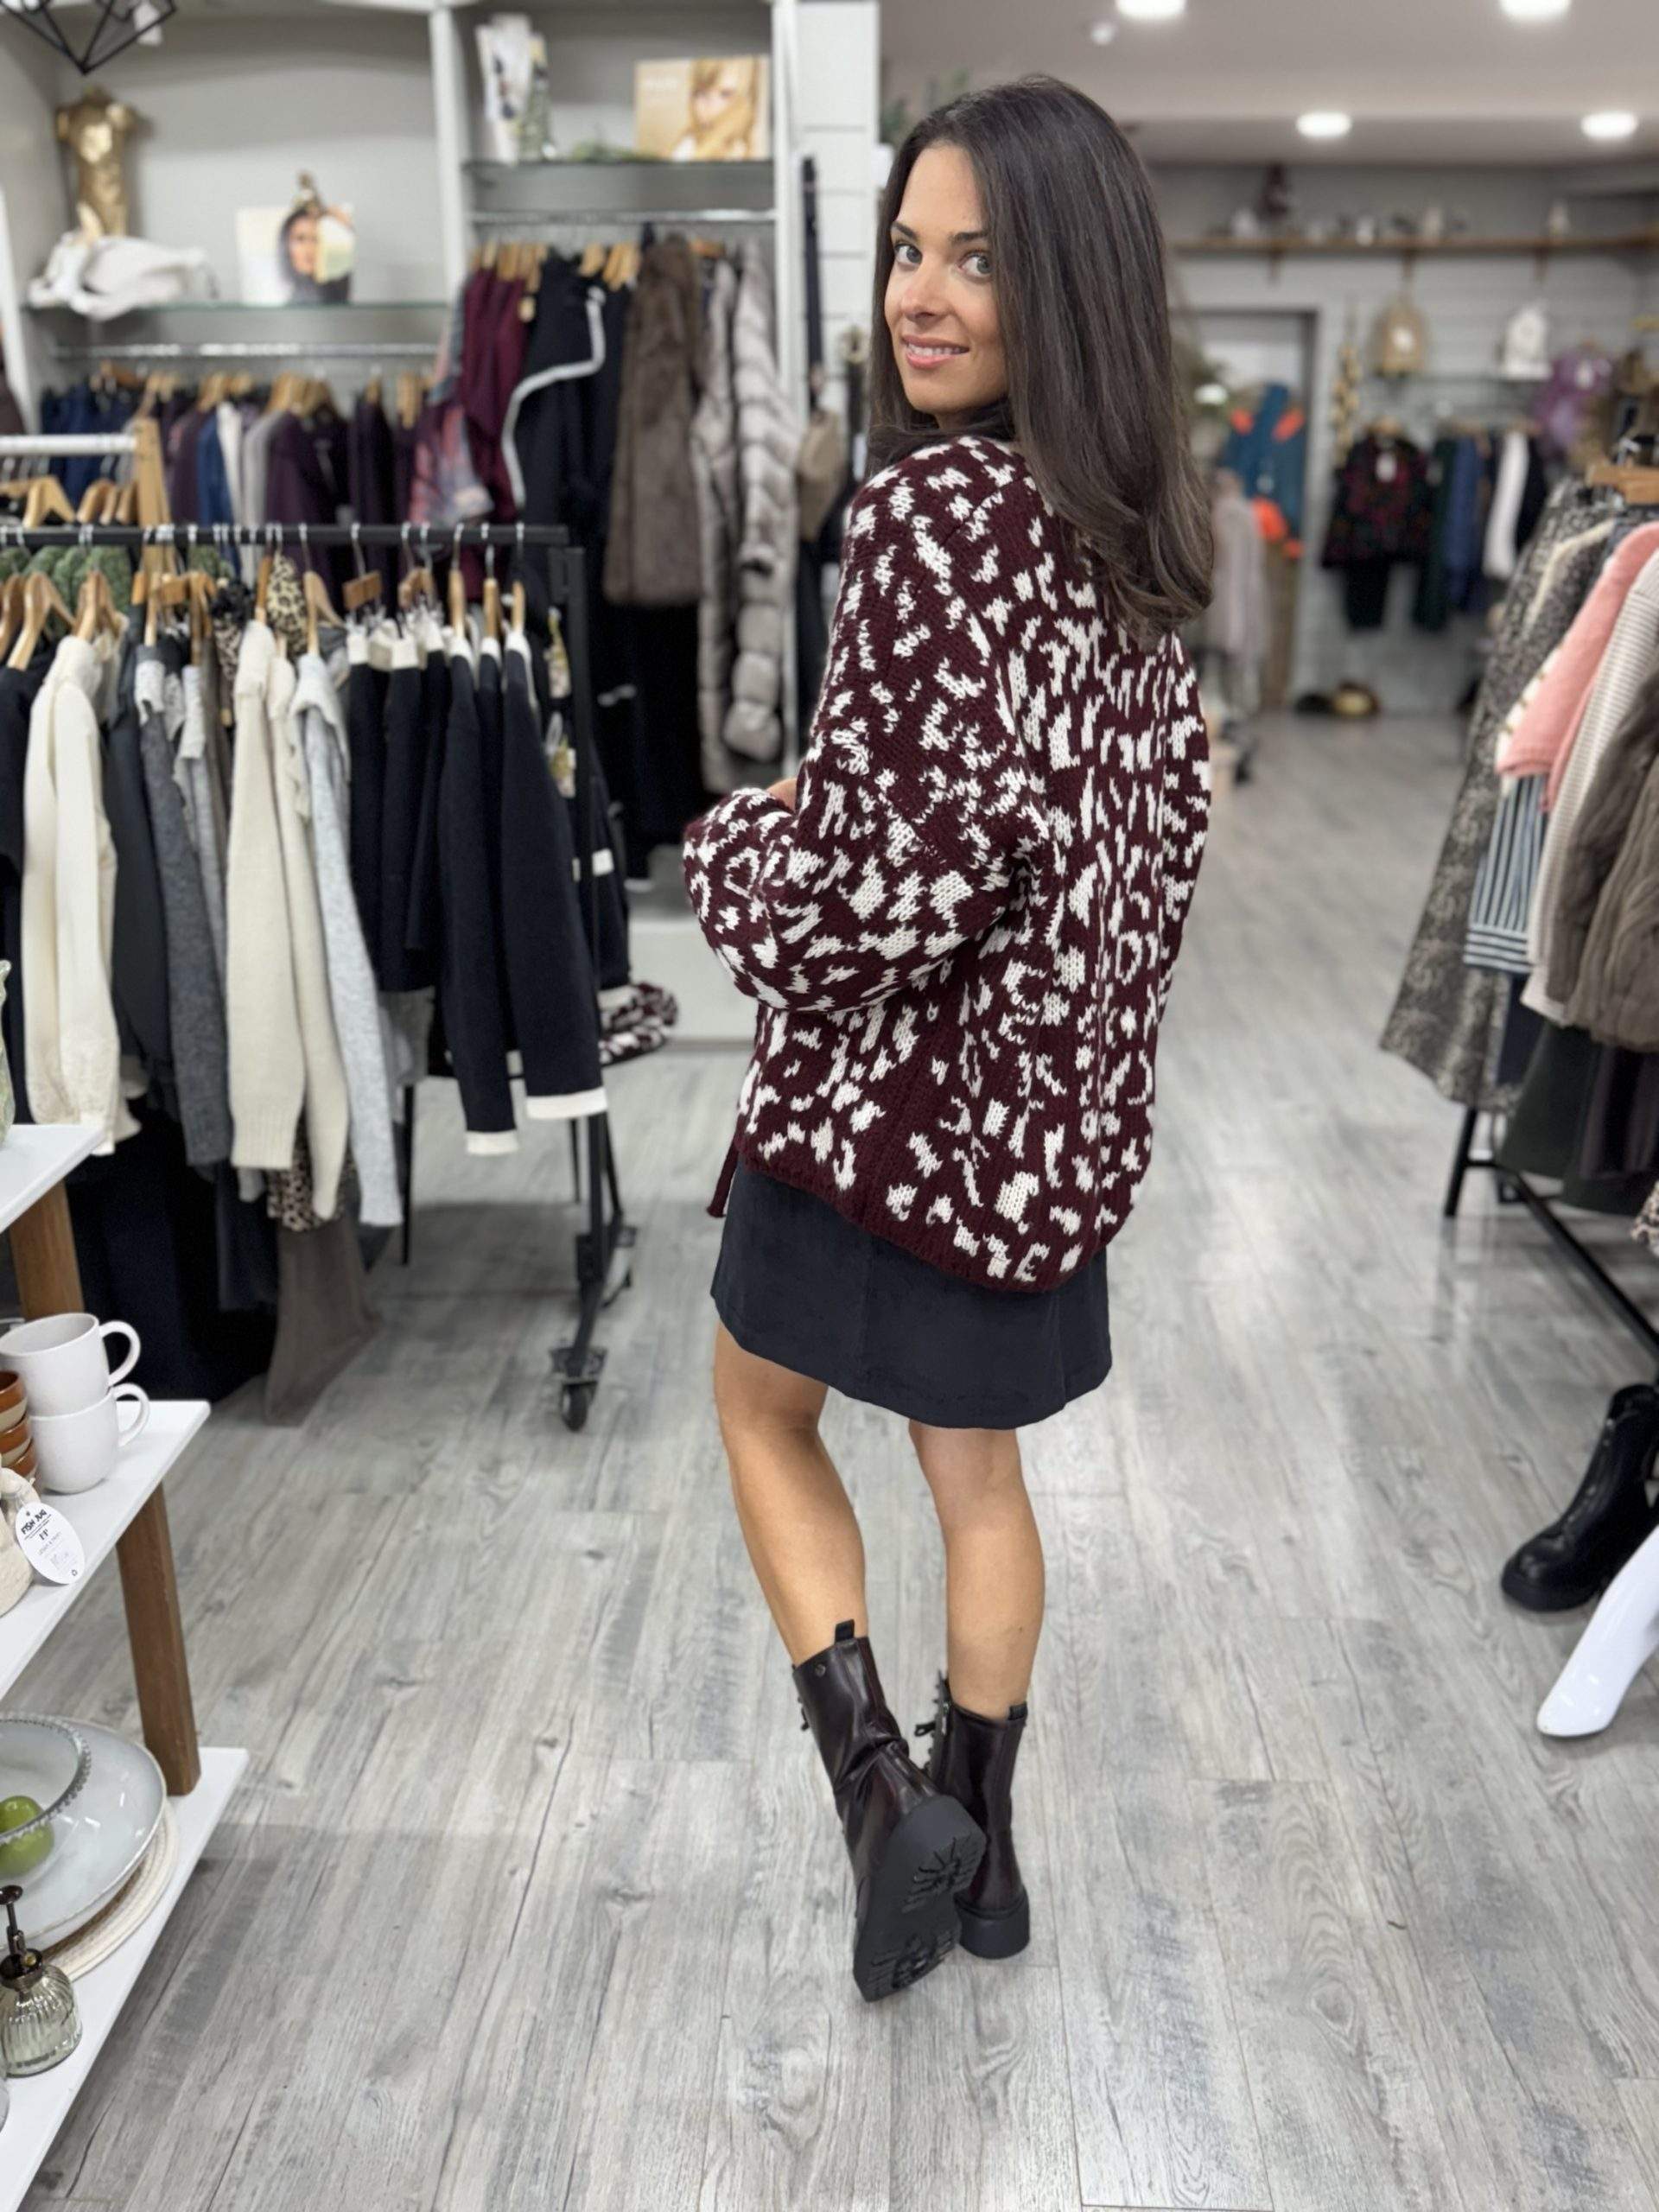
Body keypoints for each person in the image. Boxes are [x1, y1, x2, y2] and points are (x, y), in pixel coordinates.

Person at [683, 75, 1214, 2003]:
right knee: (975, 1476)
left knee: (758, 1408)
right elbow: (1131, 856)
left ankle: (878, 1799)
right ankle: (981, 1850)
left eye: (977, 258)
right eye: (909, 250)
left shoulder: (929, 516)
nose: (921, 294)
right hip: (1034, 1132)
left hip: (884, 1115)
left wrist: (736, 849)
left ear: (1065, 282)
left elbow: (889, 883)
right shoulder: (1139, 550)